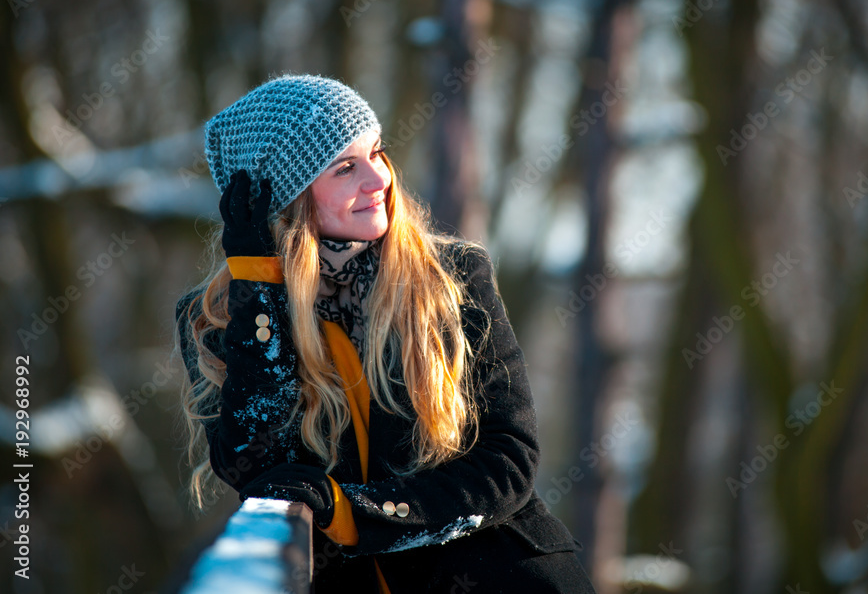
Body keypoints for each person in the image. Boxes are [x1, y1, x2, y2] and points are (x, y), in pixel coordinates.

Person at [173, 74, 597, 593]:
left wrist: (357, 513)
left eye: (377, 153)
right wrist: (260, 284)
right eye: (346, 168)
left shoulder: (452, 277)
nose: (379, 181)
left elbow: (507, 460)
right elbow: (252, 461)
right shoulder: (216, 318)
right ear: (285, 200)